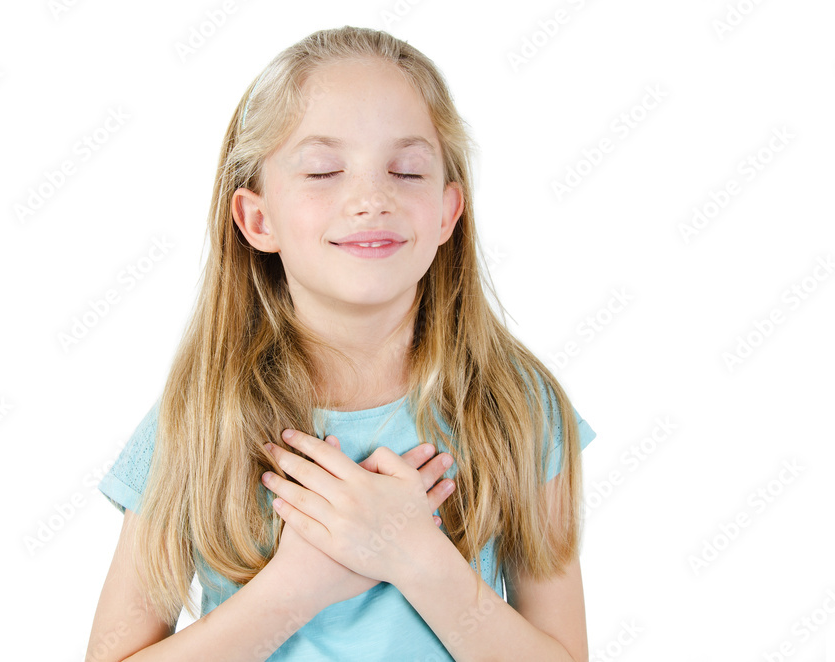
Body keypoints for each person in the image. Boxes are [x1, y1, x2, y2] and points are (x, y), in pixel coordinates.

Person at [86, 25, 596, 662]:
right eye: (324, 170)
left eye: (406, 171)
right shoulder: (197, 419)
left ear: (447, 211)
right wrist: (297, 589)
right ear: (257, 219)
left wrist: (416, 558)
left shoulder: (516, 406)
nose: (370, 198)